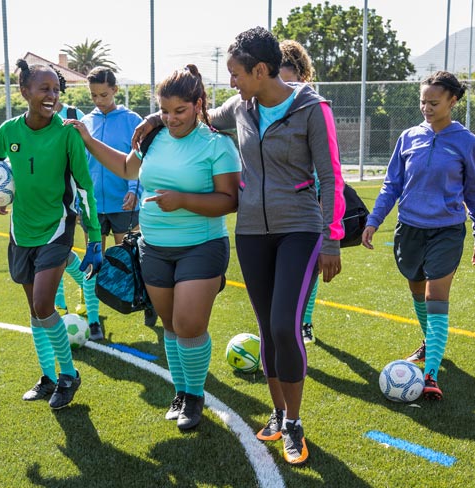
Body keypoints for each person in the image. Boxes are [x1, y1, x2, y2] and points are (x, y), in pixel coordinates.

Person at [133, 27, 345, 466]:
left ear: (260, 70)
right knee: (268, 327)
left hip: (300, 229)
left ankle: (294, 422)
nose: (230, 82)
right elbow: (201, 117)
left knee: (286, 325)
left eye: (235, 73)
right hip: (251, 232)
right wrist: (156, 119)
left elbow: (331, 177)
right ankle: (279, 411)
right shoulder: (242, 107)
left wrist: (332, 239)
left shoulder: (311, 108)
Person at [65, 64, 241, 431]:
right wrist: (87, 139)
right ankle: (180, 392)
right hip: (153, 247)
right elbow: (128, 170)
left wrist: (183, 200)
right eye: (164, 111)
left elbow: (229, 201)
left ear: (198, 104)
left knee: (189, 324)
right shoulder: (152, 137)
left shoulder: (216, 143)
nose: (171, 118)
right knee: (171, 327)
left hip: (202, 246)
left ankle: (195, 395)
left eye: (180, 111)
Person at [0, 59, 103, 410]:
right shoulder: (9, 131)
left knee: (44, 304)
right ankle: (48, 377)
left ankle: (69, 375)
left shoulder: (68, 131)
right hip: (20, 231)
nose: (52, 95)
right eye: (44, 89)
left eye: (56, 89)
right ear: (24, 91)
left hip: (56, 229)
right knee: (34, 310)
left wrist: (95, 237)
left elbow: (84, 187)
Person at [361, 70, 475, 401]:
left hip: (446, 231)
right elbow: (392, 185)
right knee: (418, 291)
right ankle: (429, 341)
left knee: (436, 296)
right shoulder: (408, 138)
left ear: (453, 101)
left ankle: (430, 373)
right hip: (410, 230)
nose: (426, 108)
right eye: (423, 101)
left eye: (434, 102)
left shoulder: (467, 143)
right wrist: (374, 220)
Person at [80, 66, 151, 338]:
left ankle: (147, 300)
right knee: (93, 261)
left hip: (124, 203)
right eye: (94, 95)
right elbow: (82, 164)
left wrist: (134, 189)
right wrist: (80, 201)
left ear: (115, 90)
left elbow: (138, 157)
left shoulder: (132, 120)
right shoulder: (86, 122)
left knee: (130, 259)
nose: (99, 100)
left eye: (104, 94)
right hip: (93, 207)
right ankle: (94, 319)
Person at [279, 39, 319, 345]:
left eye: (286, 74)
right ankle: (282, 324)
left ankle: (304, 322)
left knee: (310, 267)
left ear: (300, 73)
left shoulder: (311, 103)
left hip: (308, 199)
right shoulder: (261, 104)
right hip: (272, 204)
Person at [52, 95, 91, 324]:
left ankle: (87, 293)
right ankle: (58, 303)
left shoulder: (75, 116)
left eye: (53, 89)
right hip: (47, 199)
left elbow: (86, 156)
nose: (49, 95)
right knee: (51, 252)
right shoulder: (33, 121)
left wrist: (81, 198)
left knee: (60, 252)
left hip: (72, 196)